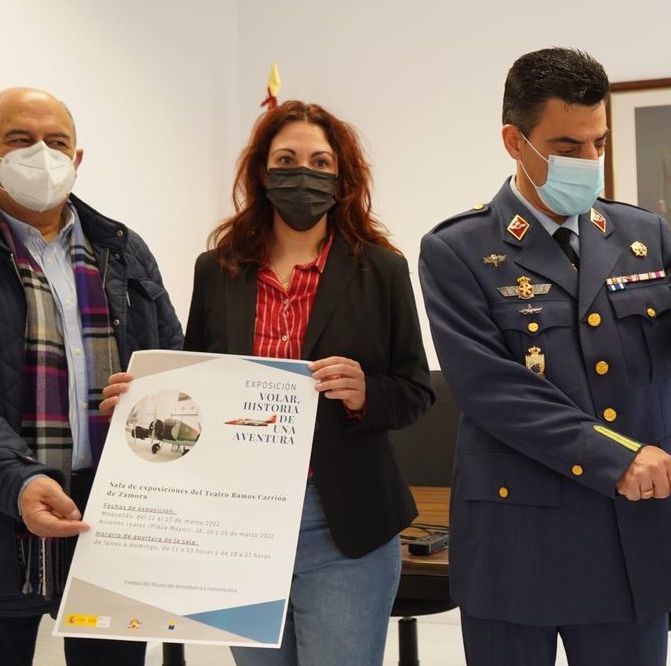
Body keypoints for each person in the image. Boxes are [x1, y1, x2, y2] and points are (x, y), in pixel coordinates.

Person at [106, 100, 433, 666]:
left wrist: (365, 393)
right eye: (286, 159)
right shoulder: (219, 269)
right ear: (262, 171)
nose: (302, 174)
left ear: (341, 177)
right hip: (240, 525)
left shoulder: (380, 269)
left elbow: (415, 389)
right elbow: (198, 387)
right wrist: (142, 399)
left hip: (344, 526)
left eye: (319, 162)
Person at [419, 47, 671, 666]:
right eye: (568, 146)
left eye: (599, 143)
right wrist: (618, 457)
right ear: (513, 141)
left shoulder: (643, 234)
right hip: (518, 540)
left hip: (633, 531)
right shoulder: (459, 250)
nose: (589, 161)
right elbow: (492, 390)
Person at [0, 88, 183, 665]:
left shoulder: (123, 251)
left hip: (115, 517)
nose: (42, 154)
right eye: (20, 140)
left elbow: (174, 364)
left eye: (56, 142)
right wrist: (20, 482)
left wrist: (148, 393)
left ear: (77, 159)